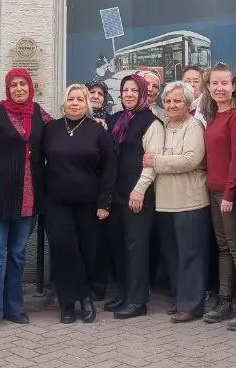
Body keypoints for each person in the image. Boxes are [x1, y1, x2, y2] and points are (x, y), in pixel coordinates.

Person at [0, 68, 50, 331]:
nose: (19, 89)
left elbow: (62, 132)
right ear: (7, 89)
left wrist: (94, 123)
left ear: (31, 87)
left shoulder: (40, 114)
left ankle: (14, 307)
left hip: (29, 198)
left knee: (17, 255)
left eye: (23, 84)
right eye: (13, 85)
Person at [40, 83, 116, 323]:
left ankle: (81, 297)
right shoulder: (51, 129)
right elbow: (38, 163)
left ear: (87, 104)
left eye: (80, 100)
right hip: (56, 202)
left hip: (89, 203)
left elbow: (109, 168)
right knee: (63, 248)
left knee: (87, 250)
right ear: (64, 102)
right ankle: (72, 301)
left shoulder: (98, 131)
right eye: (71, 99)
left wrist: (104, 202)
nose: (74, 103)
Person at [136, 81, 208, 323]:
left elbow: (190, 160)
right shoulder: (162, 125)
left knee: (191, 254)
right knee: (173, 255)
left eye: (177, 101)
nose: (171, 105)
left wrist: (156, 161)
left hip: (190, 201)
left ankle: (193, 305)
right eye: (167, 101)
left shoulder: (194, 126)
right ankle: (180, 299)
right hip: (165, 202)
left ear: (187, 104)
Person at [200, 65, 236, 329]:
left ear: (233, 86)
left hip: (229, 194)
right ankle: (224, 300)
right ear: (208, 87)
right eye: (214, 83)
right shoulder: (213, 116)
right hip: (214, 191)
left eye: (224, 83)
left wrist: (230, 193)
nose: (219, 88)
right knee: (223, 248)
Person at [107, 74, 162, 319]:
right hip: (117, 193)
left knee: (136, 246)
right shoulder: (118, 119)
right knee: (119, 245)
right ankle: (124, 294)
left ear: (142, 94)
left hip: (139, 193)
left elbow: (151, 162)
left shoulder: (151, 122)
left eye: (134, 90)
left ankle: (138, 301)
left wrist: (139, 190)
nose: (129, 94)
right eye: (125, 90)